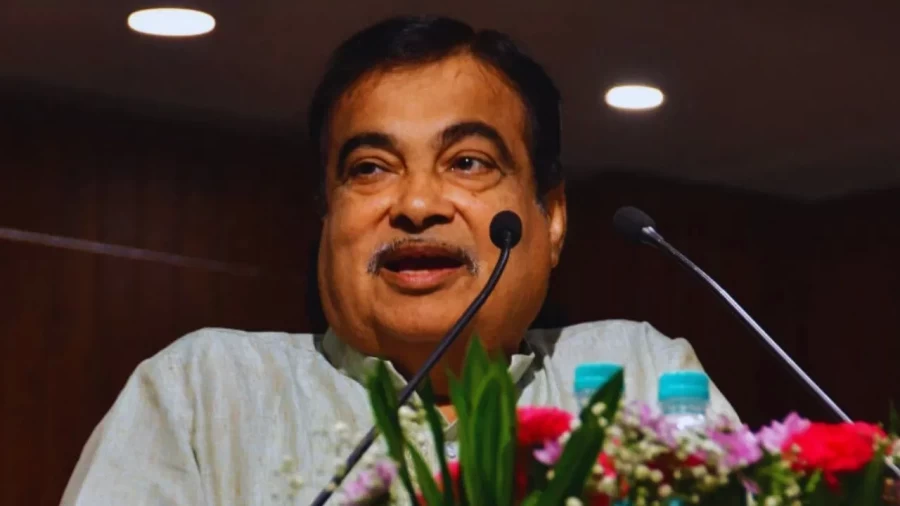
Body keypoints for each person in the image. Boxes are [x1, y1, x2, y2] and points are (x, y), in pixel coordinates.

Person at [61, 15, 737, 506]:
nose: (416, 204)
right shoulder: (205, 394)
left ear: (551, 219)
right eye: (370, 168)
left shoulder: (638, 376)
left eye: (468, 162)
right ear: (328, 217)